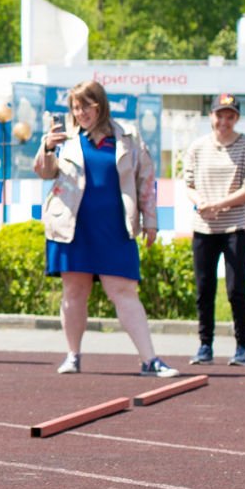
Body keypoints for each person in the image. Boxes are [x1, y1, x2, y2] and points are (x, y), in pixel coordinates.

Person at [35, 80, 179, 378]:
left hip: (115, 226)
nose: (81, 113)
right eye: (76, 108)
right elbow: (45, 172)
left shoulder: (128, 136)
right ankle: (73, 355)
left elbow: (145, 180)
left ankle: (150, 360)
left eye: (86, 106)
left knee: (124, 290)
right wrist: (47, 147)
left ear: (100, 105)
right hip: (71, 225)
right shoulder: (66, 138)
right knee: (74, 290)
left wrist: (150, 220)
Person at [181, 93, 245, 366]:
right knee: (203, 289)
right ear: (211, 116)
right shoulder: (197, 147)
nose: (224, 122)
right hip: (204, 227)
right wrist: (201, 204)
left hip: (237, 226)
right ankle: (205, 345)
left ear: (236, 118)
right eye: (220, 115)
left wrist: (218, 204)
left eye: (230, 116)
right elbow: (188, 183)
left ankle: (243, 347)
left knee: (235, 289)